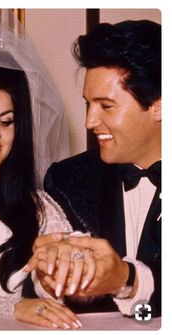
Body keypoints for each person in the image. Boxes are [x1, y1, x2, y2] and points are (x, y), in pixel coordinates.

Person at [0, 9, 84, 329]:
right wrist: (11, 307)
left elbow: (61, 298)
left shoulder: (39, 207)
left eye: (6, 122)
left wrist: (59, 277)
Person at [22, 19, 161, 319]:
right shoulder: (66, 181)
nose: (89, 121)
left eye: (106, 106)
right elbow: (46, 293)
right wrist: (51, 278)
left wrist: (127, 281)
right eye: (88, 104)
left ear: (159, 105)